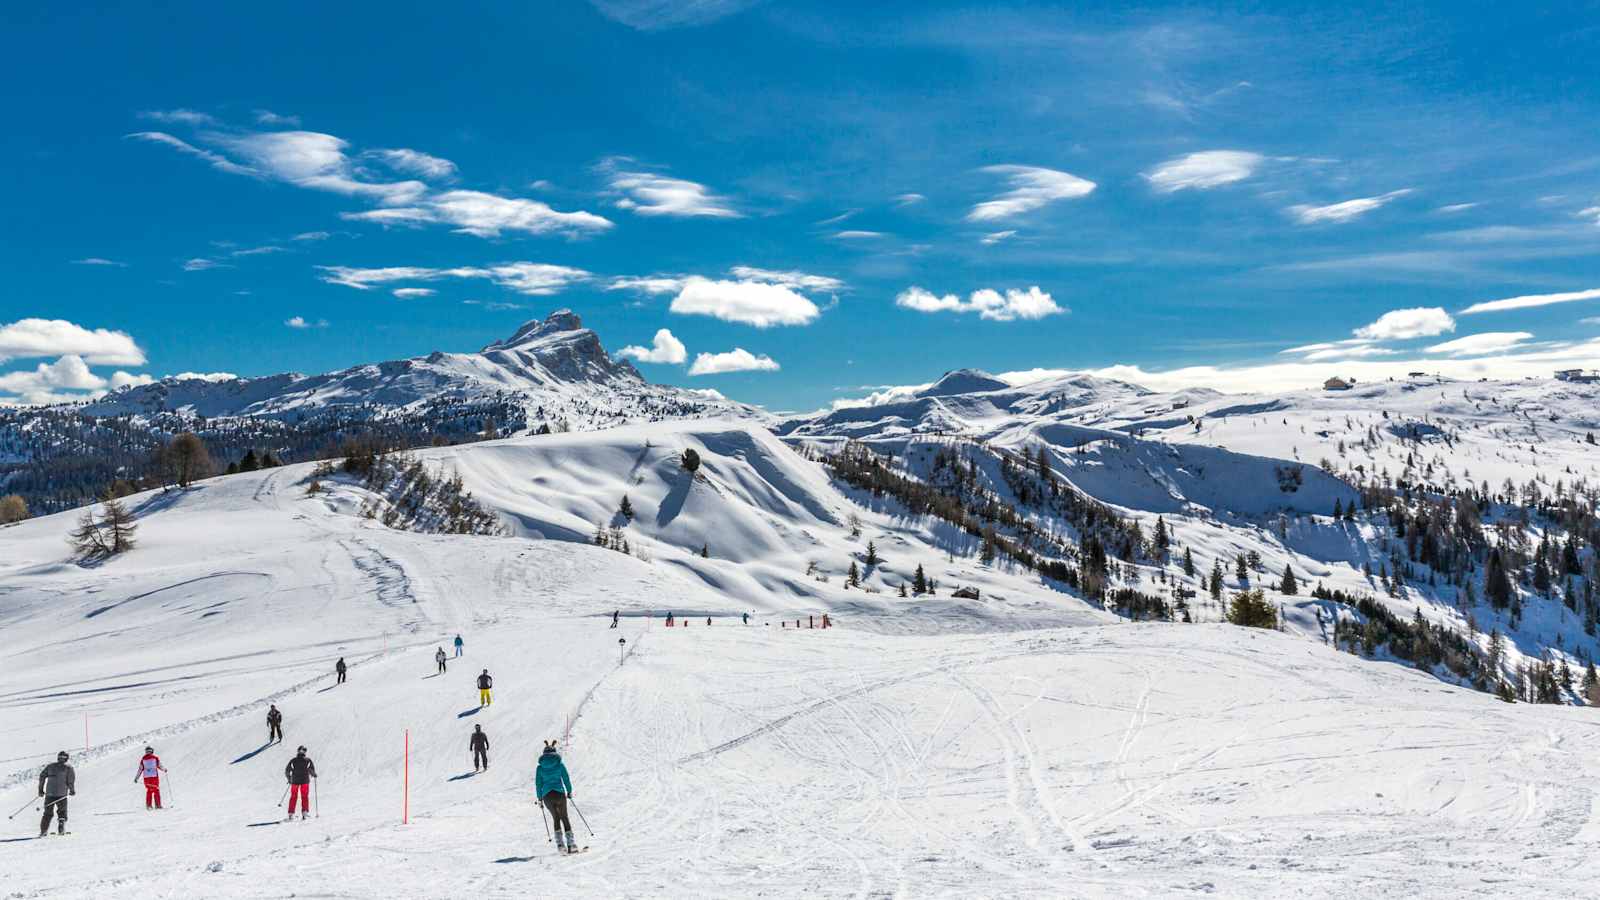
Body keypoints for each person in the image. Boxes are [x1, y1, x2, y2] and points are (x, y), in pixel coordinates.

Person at [535, 741, 577, 853]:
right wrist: (569, 791)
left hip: (547, 795)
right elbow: (566, 778)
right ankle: (571, 844)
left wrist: (539, 798)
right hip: (559, 793)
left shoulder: (539, 768)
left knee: (556, 818)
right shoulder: (559, 764)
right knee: (564, 817)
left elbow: (538, 784)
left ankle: (560, 845)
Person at [37, 751, 75, 837]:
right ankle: (61, 828)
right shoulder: (68, 768)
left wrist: (40, 790)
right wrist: (72, 790)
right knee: (62, 812)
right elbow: (70, 781)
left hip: (49, 794)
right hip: (61, 795)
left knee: (47, 813)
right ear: (66, 758)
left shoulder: (50, 766)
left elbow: (42, 776)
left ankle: (43, 831)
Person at [284, 746, 316, 819]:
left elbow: (287, 771)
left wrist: (289, 779)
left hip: (295, 781)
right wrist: (314, 774)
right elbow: (311, 770)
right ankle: (304, 813)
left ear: (298, 751)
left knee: (293, 796)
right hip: (305, 781)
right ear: (304, 752)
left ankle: (291, 814)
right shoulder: (308, 760)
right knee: (304, 796)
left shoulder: (293, 761)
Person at [134, 745, 167, 810]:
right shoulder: (155, 758)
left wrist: (136, 778)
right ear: (152, 751)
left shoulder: (143, 759)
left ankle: (149, 805)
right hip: (154, 777)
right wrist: (164, 769)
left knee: (149, 790)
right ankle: (158, 805)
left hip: (146, 778)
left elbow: (140, 769)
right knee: (156, 790)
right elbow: (159, 766)